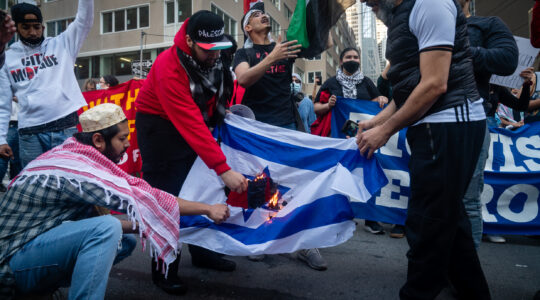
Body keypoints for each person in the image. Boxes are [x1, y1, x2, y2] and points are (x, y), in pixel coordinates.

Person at [0, 103, 230, 299]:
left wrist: (146, 225)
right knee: (107, 229)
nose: (128, 145)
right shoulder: (81, 170)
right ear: (98, 140)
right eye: (122, 138)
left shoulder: (73, 154)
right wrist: (208, 209)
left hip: (27, 248)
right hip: (9, 264)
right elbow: (149, 197)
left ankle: (42, 289)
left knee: (123, 241)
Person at [358, 0, 490, 298]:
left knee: (427, 226)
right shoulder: (401, 16)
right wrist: (376, 122)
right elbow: (408, 87)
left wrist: (386, 130)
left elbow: (434, 85)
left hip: (448, 122)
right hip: (433, 126)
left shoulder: (431, 3)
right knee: (450, 226)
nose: (365, 1)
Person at [135, 10, 248, 294]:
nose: (214, 56)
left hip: (196, 123)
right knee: (166, 196)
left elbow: (216, 99)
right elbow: (190, 122)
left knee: (202, 191)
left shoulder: (213, 55)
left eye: (217, 49)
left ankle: (203, 251)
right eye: (207, 50)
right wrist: (223, 169)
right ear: (189, 40)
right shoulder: (168, 68)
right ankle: (164, 267)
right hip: (159, 128)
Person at [234, 3, 328, 271]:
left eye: (264, 13)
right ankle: (261, 237)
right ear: (248, 29)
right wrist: (272, 57)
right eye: (255, 15)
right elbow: (243, 80)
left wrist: (317, 11)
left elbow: (322, 42)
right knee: (260, 185)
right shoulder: (243, 53)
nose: (263, 15)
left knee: (293, 183)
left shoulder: (285, 47)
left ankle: (304, 244)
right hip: (257, 128)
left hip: (286, 124)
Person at [0, 1, 94, 168]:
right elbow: (3, 102)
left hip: (66, 129)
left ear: (43, 27)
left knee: (68, 180)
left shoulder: (62, 44)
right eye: (26, 27)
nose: (33, 32)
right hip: (30, 134)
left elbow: (84, 20)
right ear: (17, 29)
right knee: (36, 183)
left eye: (37, 27)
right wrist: (1, 139)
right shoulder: (8, 58)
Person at [311, 47, 387, 138]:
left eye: (355, 57)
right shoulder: (331, 82)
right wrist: (328, 105)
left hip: (362, 133)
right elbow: (316, 107)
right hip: (337, 132)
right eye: (348, 57)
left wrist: (381, 99)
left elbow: (376, 100)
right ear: (341, 61)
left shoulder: (366, 81)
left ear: (359, 61)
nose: (352, 60)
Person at [0, 97, 21, 192]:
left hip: (15, 122)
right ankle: (14, 183)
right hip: (12, 122)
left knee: (12, 156)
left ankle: (14, 183)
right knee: (10, 156)